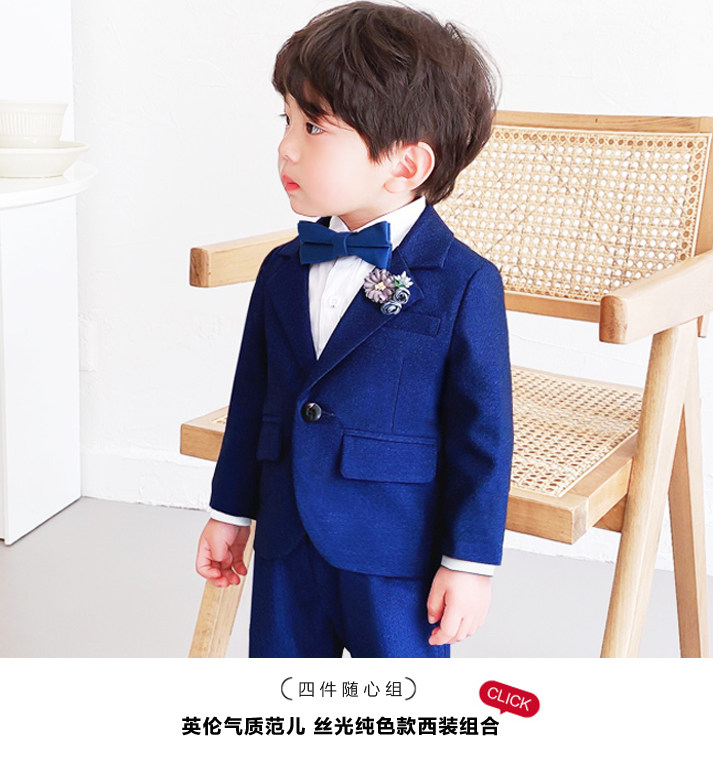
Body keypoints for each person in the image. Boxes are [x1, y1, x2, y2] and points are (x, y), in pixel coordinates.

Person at [195, 1, 513, 658]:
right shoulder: (282, 269)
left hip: (393, 551)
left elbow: (483, 435)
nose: (286, 146)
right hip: (285, 541)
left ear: (406, 165)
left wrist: (470, 562)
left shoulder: (463, 282)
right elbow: (251, 399)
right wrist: (231, 511)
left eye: (315, 126)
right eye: (287, 119)